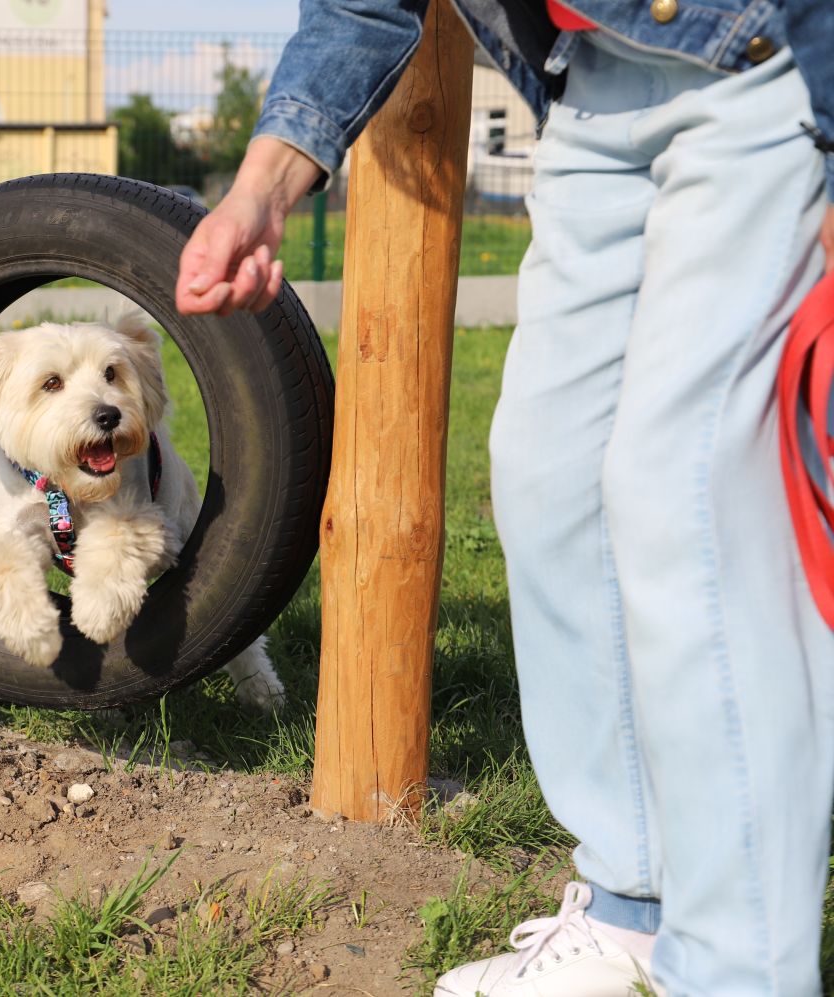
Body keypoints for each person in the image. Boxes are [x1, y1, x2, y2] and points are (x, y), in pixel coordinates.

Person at [176, 2, 834, 994]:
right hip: (587, 98)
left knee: (684, 496)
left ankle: (740, 970)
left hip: (758, 73)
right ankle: (633, 909)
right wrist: (264, 184)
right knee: (546, 478)